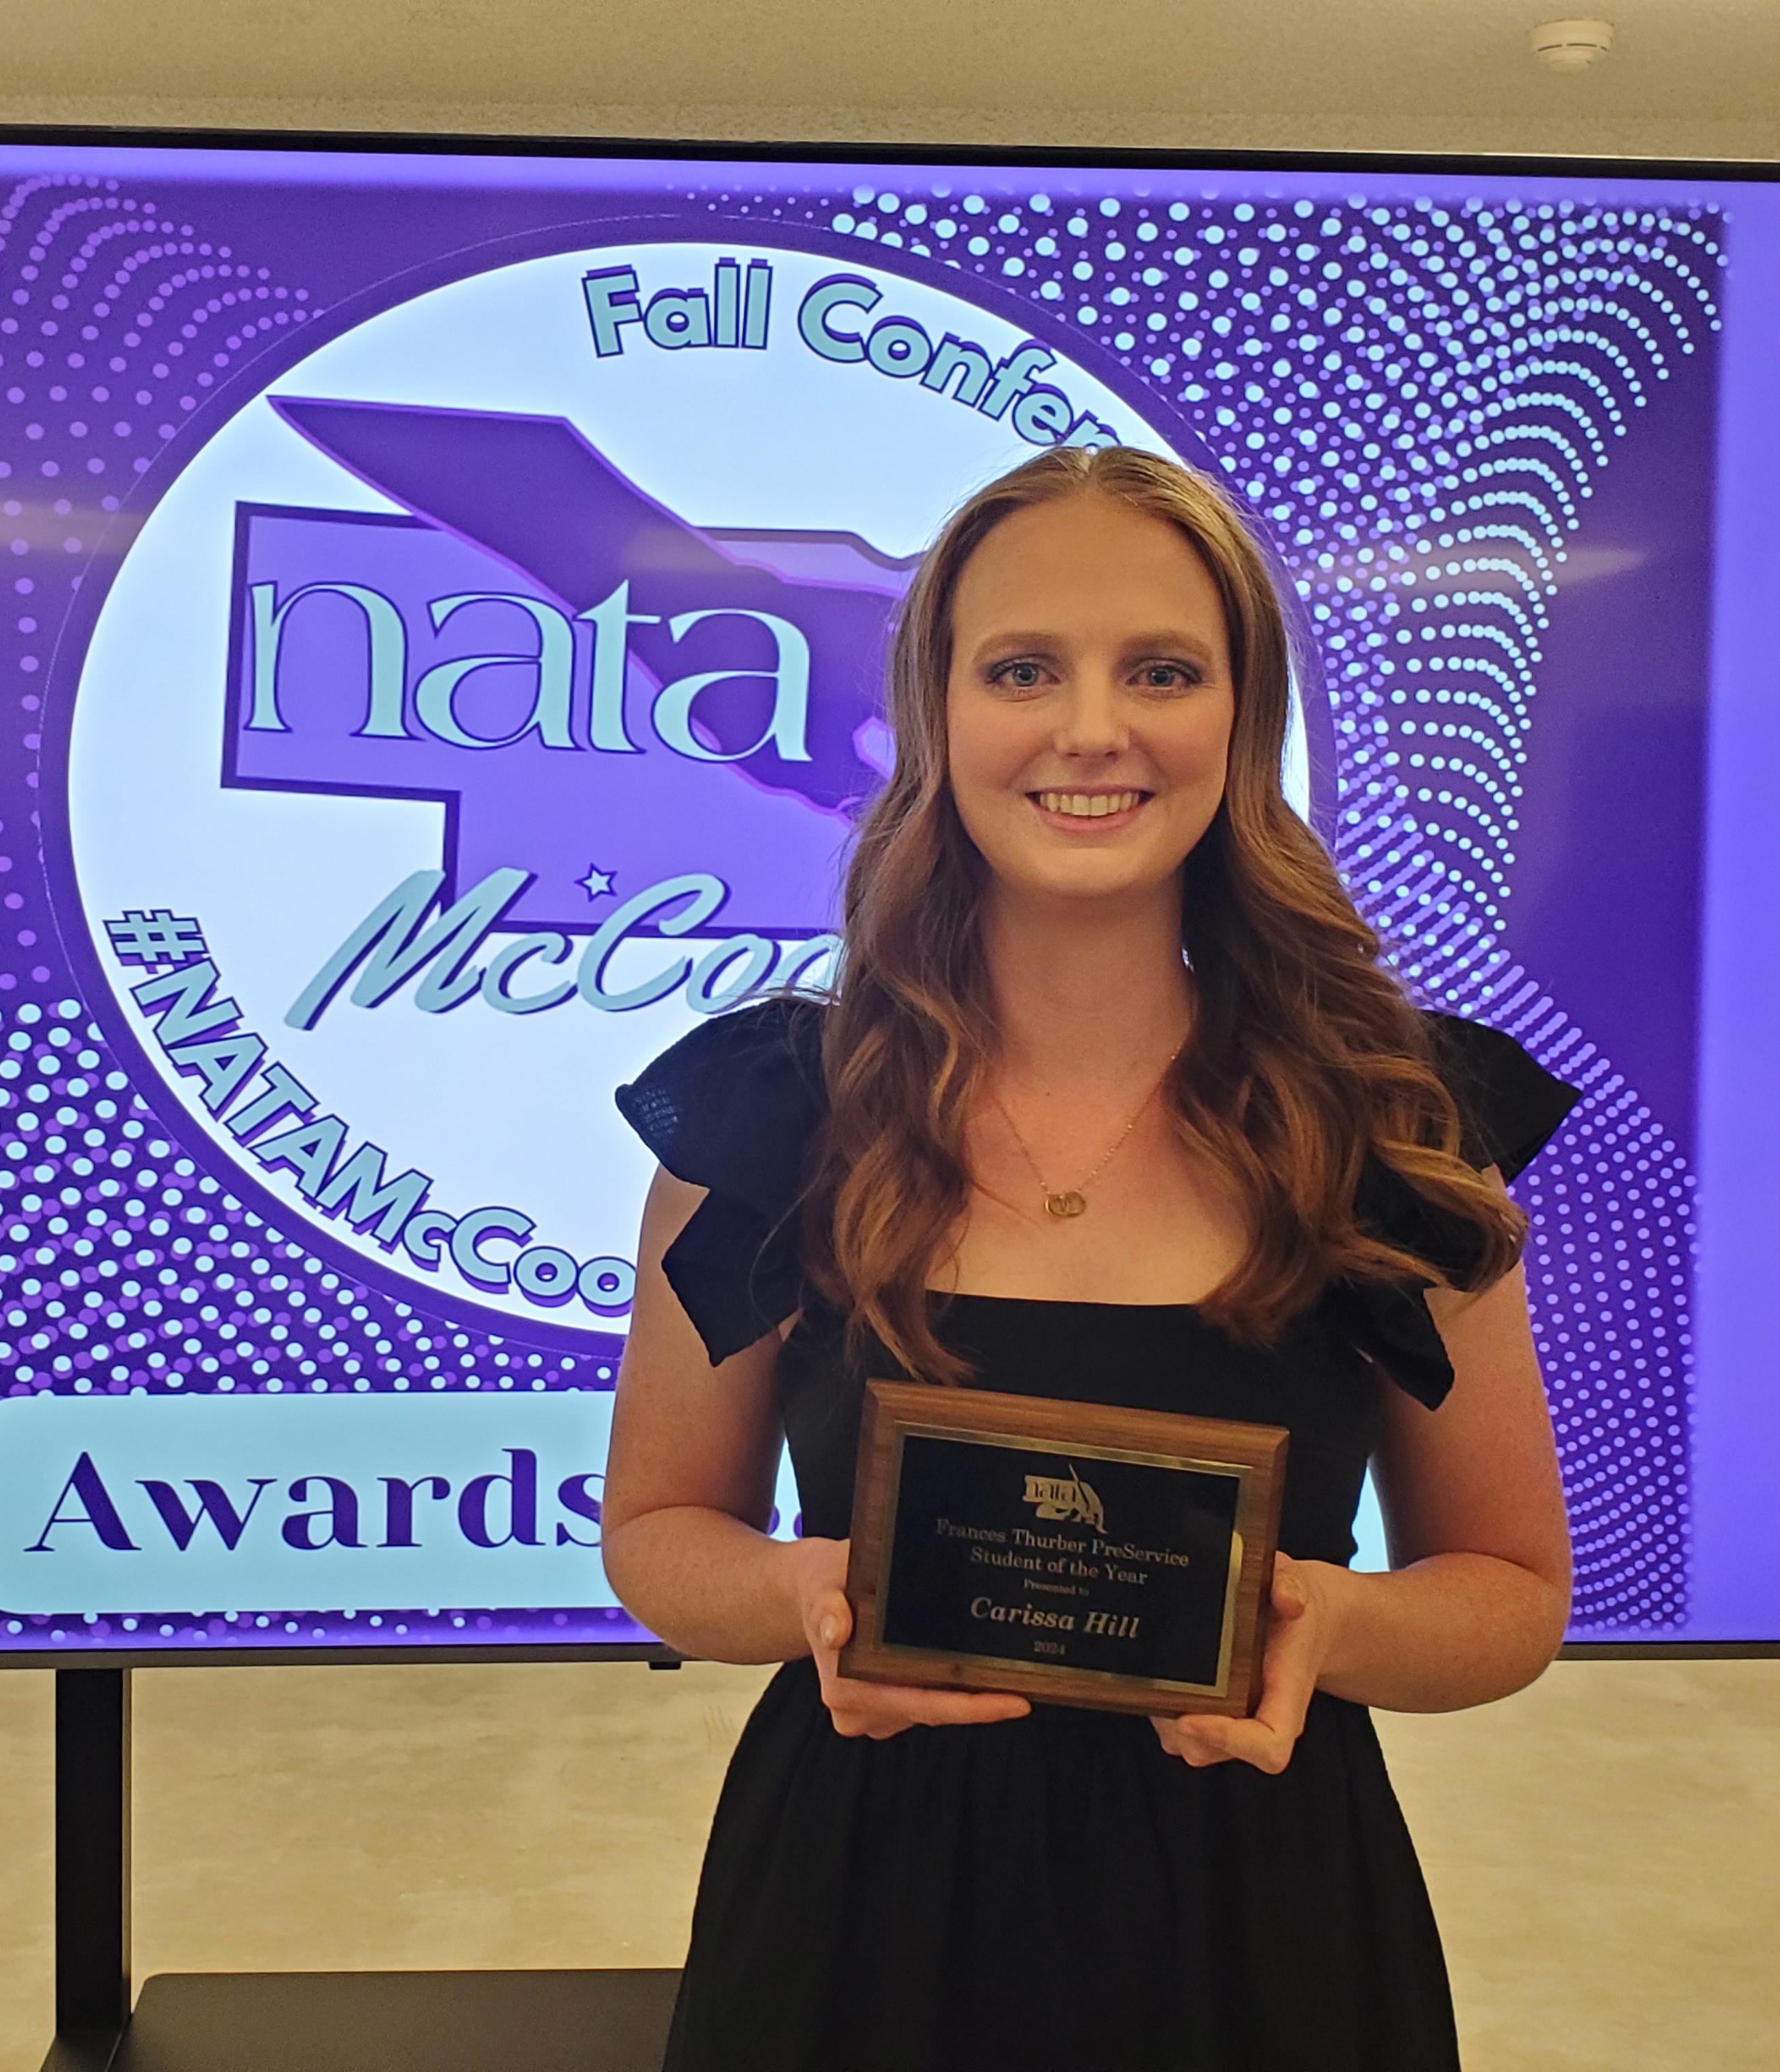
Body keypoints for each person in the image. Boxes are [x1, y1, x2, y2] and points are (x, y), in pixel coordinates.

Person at [601, 444, 1578, 2072]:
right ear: (937, 714)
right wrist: (800, 1590)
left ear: (1242, 721)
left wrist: (1320, 1625)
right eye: (1024, 669)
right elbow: (655, 1534)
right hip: (855, 1922)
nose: (1091, 729)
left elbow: (1510, 1597)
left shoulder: (1393, 1129)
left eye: (1164, 670)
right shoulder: (777, 1109)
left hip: (1263, 1932)